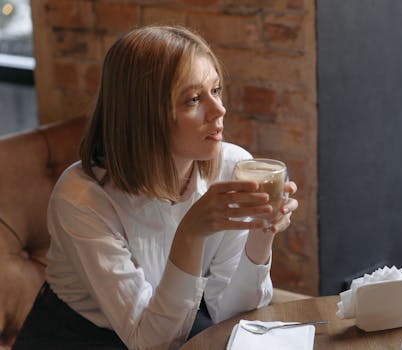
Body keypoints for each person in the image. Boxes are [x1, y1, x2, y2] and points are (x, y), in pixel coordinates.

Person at [12, 25, 298, 350]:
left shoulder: (233, 167)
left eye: (216, 90)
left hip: (170, 320)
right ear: (144, 115)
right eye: (193, 99)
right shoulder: (82, 198)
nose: (219, 110)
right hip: (77, 336)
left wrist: (261, 233)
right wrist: (191, 232)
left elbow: (231, 315)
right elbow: (150, 343)